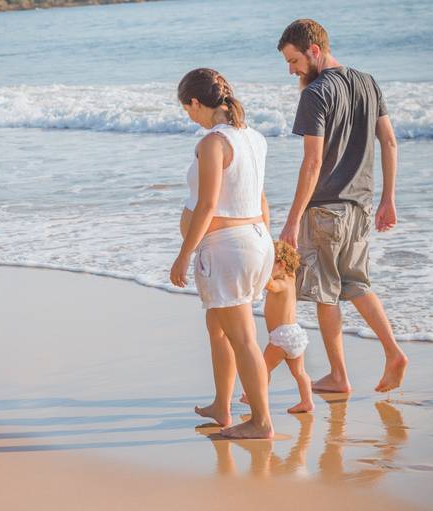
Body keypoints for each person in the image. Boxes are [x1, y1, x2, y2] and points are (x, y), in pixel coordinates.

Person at [277, 19, 407, 393]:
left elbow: (313, 164)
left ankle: (338, 376)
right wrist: (388, 198)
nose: (292, 70)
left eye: (294, 61)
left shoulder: (315, 93)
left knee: (324, 292)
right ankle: (393, 351)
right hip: (361, 207)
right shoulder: (368, 81)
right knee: (356, 283)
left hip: (325, 209)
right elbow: (390, 142)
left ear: (314, 51)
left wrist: (292, 220)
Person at [170, 68, 274, 439]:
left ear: (196, 102)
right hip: (254, 240)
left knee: (243, 336)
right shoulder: (254, 138)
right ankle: (222, 404)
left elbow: (208, 204)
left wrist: (184, 253)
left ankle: (261, 422)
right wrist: (268, 249)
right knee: (217, 327)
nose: (189, 117)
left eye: (188, 109)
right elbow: (260, 198)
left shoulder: (214, 143)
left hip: (228, 249)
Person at [242, 240, 313, 413]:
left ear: (281, 264)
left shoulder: (282, 283)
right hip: (295, 335)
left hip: (282, 337)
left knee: (263, 369)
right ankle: (307, 401)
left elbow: (271, 285)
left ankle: (256, 399)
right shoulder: (290, 277)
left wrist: (260, 272)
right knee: (300, 372)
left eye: (267, 264)